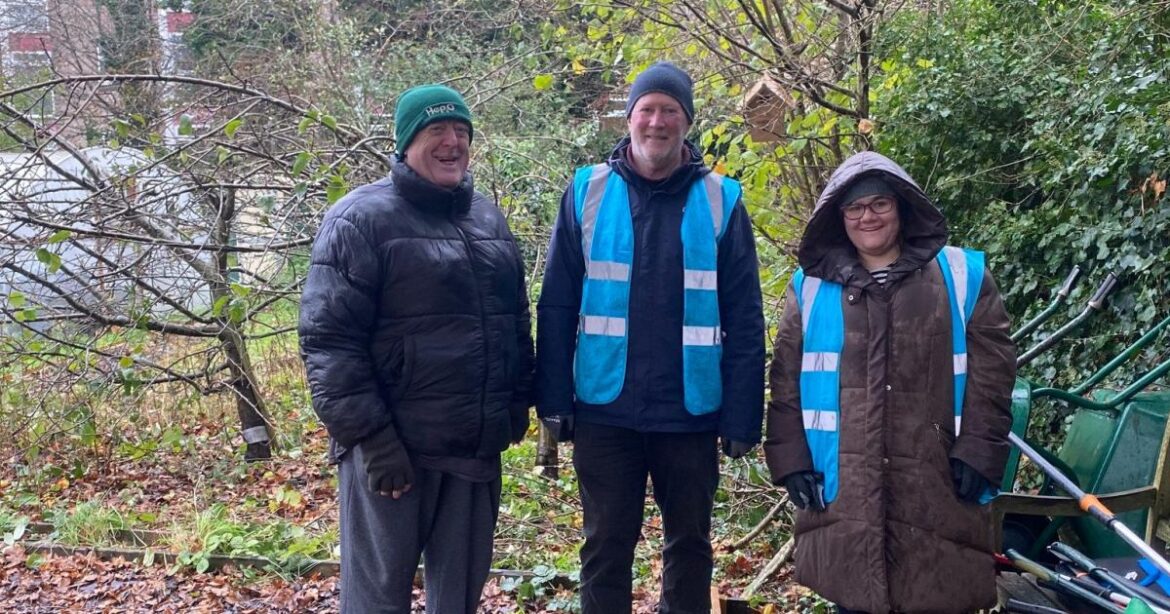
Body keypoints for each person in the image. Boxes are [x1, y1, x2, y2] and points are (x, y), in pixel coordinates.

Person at [535, 62, 765, 614]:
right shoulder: (587, 191)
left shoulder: (722, 200)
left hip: (689, 412)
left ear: (687, 121)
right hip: (604, 409)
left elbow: (745, 317)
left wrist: (741, 415)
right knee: (605, 546)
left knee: (690, 546)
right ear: (630, 118)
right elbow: (557, 304)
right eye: (647, 110)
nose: (657, 122)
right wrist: (553, 399)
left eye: (669, 111)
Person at [298, 84, 534, 613]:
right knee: (377, 601)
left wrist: (516, 402)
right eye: (436, 130)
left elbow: (515, 320)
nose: (452, 142)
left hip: (472, 451)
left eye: (461, 131)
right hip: (394, 450)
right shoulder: (359, 219)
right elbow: (328, 342)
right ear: (406, 143)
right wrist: (372, 439)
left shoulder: (488, 220)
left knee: (458, 599)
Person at [763, 151, 1016, 613]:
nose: (868, 217)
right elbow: (786, 382)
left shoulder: (962, 276)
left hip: (938, 480)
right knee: (854, 597)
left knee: (935, 595)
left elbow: (993, 375)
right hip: (843, 486)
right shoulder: (810, 287)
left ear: (902, 206)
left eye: (880, 203)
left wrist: (980, 450)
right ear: (838, 217)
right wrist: (790, 460)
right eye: (855, 207)